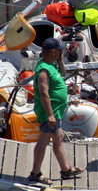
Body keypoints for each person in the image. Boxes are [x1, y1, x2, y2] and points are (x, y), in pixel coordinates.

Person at [28, 38, 84, 185]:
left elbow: (63, 72)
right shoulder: (43, 71)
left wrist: (59, 61)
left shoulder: (51, 64)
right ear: (53, 52)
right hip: (49, 112)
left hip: (56, 111)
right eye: (59, 50)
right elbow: (44, 93)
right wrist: (50, 115)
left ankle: (65, 170)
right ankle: (35, 173)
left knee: (58, 137)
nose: (62, 52)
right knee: (43, 141)